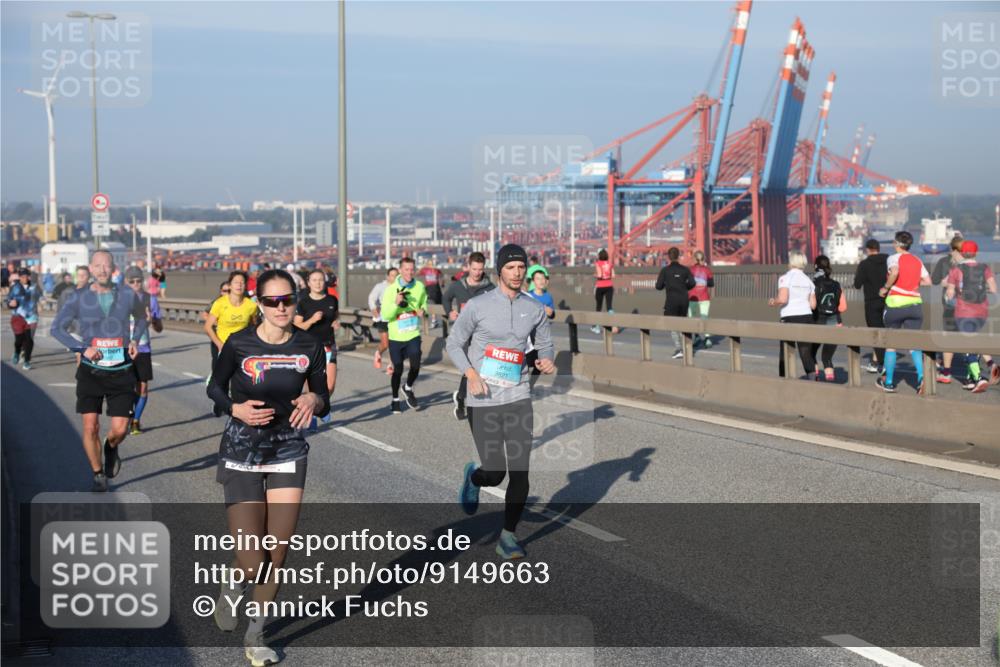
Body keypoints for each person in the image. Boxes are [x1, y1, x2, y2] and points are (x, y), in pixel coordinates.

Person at [206, 269, 329, 664]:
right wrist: (234, 407)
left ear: (295, 301)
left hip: (288, 451)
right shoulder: (239, 344)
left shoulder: (310, 344)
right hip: (242, 452)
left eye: (287, 300)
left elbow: (322, 394)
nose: (281, 307)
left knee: (278, 553)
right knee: (254, 558)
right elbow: (214, 387)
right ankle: (234, 582)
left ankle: (256, 635)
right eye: (272, 301)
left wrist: (313, 402)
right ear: (260, 304)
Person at [450, 244, 556, 559]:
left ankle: (507, 536)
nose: (517, 273)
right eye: (510, 268)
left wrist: (545, 360)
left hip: (518, 393)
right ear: (500, 271)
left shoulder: (533, 308)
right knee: (495, 472)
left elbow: (546, 344)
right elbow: (454, 342)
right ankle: (474, 476)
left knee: (520, 472)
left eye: (521, 267)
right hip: (482, 396)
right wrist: (470, 374)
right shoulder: (478, 306)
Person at [50, 249, 148, 492]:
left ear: (113, 268)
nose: (103, 269)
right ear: (91, 269)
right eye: (98, 265)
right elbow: (57, 329)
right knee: (90, 426)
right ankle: (97, 474)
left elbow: (142, 318)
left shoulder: (127, 294)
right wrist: (82, 348)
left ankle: (111, 447)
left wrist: (135, 339)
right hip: (90, 371)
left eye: (107, 265)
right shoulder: (77, 297)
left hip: (122, 369)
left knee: (120, 429)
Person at [877, 231, 932, 393]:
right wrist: (913, 286)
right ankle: (922, 378)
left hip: (895, 304)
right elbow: (928, 282)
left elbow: (894, 272)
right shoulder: (917, 260)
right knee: (914, 344)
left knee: (891, 345)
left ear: (897, 244)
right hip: (915, 305)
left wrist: (885, 288)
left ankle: (888, 382)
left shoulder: (893, 258)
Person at [443, 252, 495, 420]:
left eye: (480, 269)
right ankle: (462, 398)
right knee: (469, 367)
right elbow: (446, 298)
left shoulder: (490, 288)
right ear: (468, 266)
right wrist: (449, 311)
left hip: (482, 335)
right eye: (474, 269)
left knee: (477, 368)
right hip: (464, 334)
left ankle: (463, 398)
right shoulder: (458, 286)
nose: (477, 273)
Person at [945, 240, 997, 392]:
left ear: (961, 253)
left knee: (967, 345)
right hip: (982, 311)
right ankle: (970, 380)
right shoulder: (985, 268)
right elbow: (994, 289)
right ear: (976, 253)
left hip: (964, 312)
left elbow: (949, 294)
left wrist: (952, 297)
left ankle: (979, 378)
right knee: (973, 340)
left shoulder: (955, 270)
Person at [205, 272, 258, 416]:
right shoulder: (220, 303)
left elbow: (254, 326)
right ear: (230, 285)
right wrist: (219, 344)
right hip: (221, 345)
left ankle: (236, 407)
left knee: (239, 380)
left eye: (242, 282)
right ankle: (220, 401)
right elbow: (208, 327)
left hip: (242, 348)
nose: (239, 285)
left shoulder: (251, 305)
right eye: (236, 282)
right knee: (221, 380)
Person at [380, 258, 427, 414]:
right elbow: (385, 315)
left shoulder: (419, 286)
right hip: (396, 337)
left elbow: (423, 303)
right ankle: (395, 399)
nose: (409, 272)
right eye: (406, 269)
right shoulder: (390, 289)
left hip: (413, 333)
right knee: (398, 369)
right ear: (400, 270)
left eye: (412, 269)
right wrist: (395, 303)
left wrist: (422, 310)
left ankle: (407, 387)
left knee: (415, 363)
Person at [295, 268, 340, 424]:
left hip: (328, 346)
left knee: (330, 385)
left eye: (320, 280)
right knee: (312, 386)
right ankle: (313, 415)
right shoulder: (303, 302)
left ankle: (321, 405)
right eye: (314, 280)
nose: (318, 283)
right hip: (309, 348)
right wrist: (312, 320)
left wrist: (335, 321)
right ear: (308, 283)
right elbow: (298, 326)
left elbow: (335, 315)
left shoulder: (332, 300)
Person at [124, 267, 163, 434]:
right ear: (126, 282)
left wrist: (152, 320)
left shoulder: (150, 299)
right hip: (123, 348)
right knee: (126, 388)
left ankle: (136, 420)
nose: (135, 284)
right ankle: (128, 414)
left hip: (143, 349)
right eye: (131, 281)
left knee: (142, 388)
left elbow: (159, 328)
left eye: (138, 281)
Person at [768, 251, 818, 379]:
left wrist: (774, 301)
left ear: (791, 262)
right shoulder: (809, 281)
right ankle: (813, 379)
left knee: (785, 351)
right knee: (806, 352)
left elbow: (783, 299)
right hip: (806, 317)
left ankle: (783, 380)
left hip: (789, 317)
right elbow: (813, 305)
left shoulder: (785, 278)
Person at [930, 235, 965, 384]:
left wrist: (947, 283)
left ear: (951, 248)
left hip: (950, 304)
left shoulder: (943, 261)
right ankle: (985, 367)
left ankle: (946, 372)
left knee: (949, 337)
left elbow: (935, 280)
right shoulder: (970, 263)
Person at [810, 255, 847, 382]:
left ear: (815, 267)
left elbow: (812, 305)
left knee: (811, 353)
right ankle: (830, 382)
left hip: (818, 321)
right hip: (835, 322)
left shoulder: (813, 284)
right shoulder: (837, 285)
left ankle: (815, 379)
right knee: (827, 357)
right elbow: (843, 308)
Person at [853, 239, 888, 373]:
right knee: (885, 330)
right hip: (888, 300)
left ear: (868, 250)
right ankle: (876, 362)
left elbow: (857, 285)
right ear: (878, 248)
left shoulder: (864, 264)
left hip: (871, 302)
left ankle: (880, 363)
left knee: (875, 332)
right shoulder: (888, 261)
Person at [655, 247, 696, 359]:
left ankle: (679, 349)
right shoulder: (685, 270)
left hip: (671, 300)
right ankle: (688, 348)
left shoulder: (665, 270)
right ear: (678, 256)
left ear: (669, 257)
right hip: (684, 299)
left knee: (672, 324)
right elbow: (692, 283)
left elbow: (658, 286)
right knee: (683, 323)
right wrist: (684, 287)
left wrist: (666, 284)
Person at [524, 264, 556, 391]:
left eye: (543, 279)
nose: (541, 281)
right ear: (533, 281)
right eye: (538, 279)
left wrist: (551, 312)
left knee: (540, 363)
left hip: (541, 336)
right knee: (524, 363)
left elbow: (552, 313)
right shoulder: (528, 296)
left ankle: (530, 386)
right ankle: (523, 385)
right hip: (528, 336)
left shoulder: (548, 297)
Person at [8, 268, 43, 370]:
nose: (25, 278)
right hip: (18, 316)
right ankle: (17, 352)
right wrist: (11, 304)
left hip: (32, 316)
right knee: (19, 339)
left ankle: (27, 361)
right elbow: (9, 300)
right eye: (23, 276)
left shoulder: (34, 287)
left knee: (29, 339)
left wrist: (41, 303)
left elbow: (40, 297)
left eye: (27, 276)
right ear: (19, 277)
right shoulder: (15, 287)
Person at [368, 267, 399, 374]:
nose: (395, 277)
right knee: (385, 344)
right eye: (392, 275)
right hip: (383, 317)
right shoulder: (380, 286)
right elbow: (372, 298)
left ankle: (391, 365)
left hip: (395, 317)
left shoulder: (400, 287)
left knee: (393, 343)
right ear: (387, 276)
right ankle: (378, 352)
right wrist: (373, 309)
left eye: (397, 275)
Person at [688, 250, 714, 348]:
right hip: (704, 298)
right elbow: (711, 284)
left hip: (692, 298)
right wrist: (709, 296)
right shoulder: (707, 270)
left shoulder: (690, 270)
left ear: (694, 259)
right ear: (703, 259)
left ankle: (696, 336)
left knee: (692, 318)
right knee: (704, 318)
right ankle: (707, 339)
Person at [591, 249, 615, 334]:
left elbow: (600, 275)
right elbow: (613, 275)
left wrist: (594, 275)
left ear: (599, 256)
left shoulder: (598, 263)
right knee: (609, 307)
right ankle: (613, 325)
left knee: (599, 307)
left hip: (600, 286)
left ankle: (597, 328)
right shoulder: (610, 263)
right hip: (609, 286)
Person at [418, 260, 444, 328]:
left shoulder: (436, 270)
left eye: (431, 263)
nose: (431, 265)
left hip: (435, 288)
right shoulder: (425, 270)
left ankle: (436, 320)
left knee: (437, 304)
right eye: (429, 264)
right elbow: (418, 273)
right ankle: (434, 320)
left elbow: (441, 276)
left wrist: (442, 283)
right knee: (432, 303)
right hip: (429, 288)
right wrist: (423, 266)